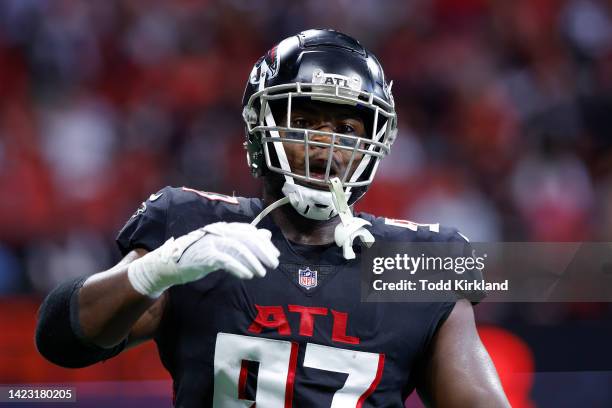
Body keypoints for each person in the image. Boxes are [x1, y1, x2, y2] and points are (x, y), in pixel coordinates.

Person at [36, 29, 510, 407]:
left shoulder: (420, 262)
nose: (327, 147)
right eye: (304, 122)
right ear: (261, 127)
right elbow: (61, 341)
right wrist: (154, 269)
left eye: (347, 129)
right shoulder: (192, 230)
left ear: (377, 142)